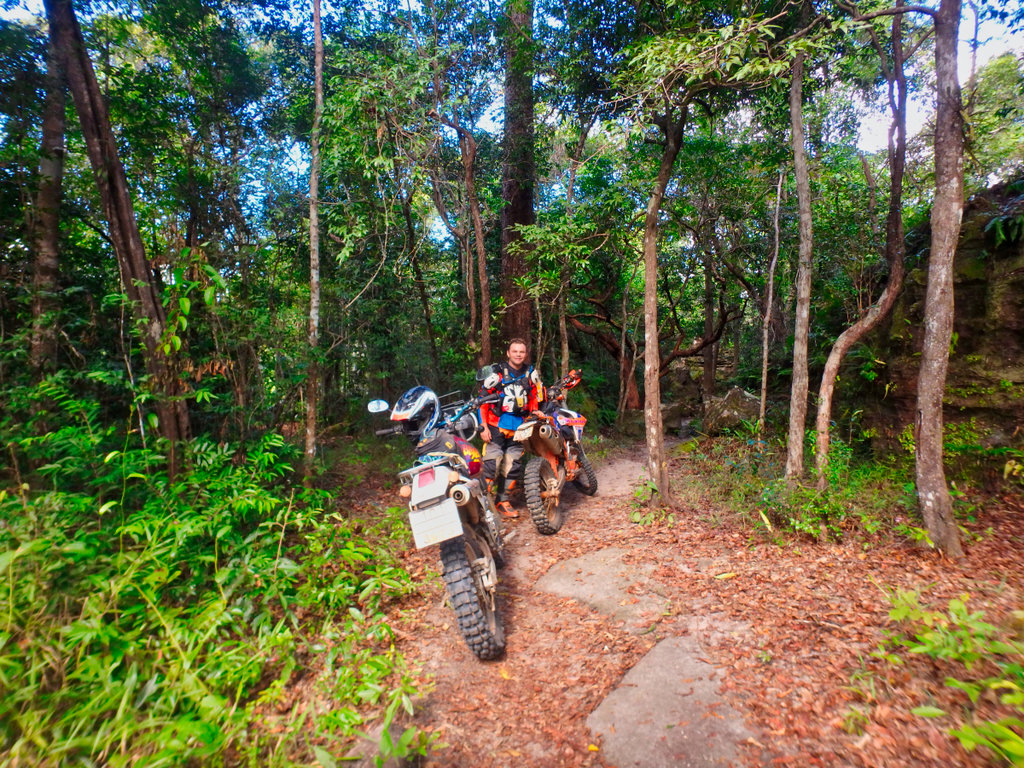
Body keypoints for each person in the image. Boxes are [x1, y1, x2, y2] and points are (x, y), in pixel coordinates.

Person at [478, 338, 544, 518]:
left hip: (519, 428)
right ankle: (481, 505)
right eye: (515, 351)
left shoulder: (530, 374)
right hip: (495, 425)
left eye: (521, 351)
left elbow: (534, 398)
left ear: (526, 354)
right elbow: (482, 402)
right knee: (491, 464)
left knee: (512, 466)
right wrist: (483, 426)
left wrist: (535, 412)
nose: (518, 355)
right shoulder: (497, 373)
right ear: (508, 353)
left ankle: (502, 501)